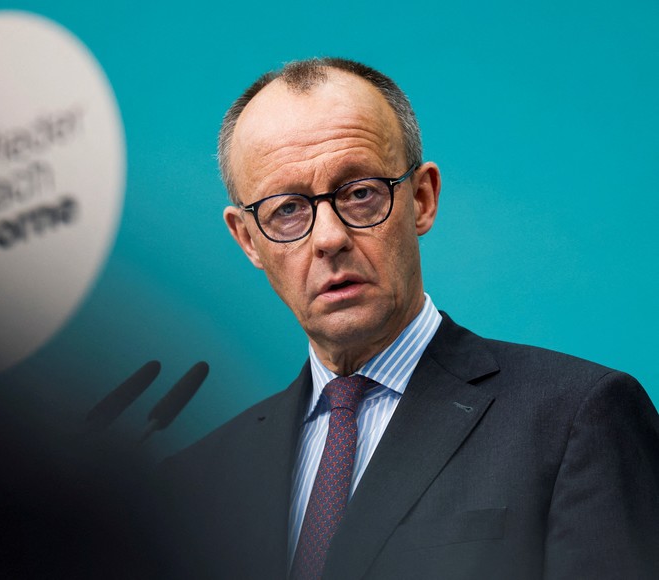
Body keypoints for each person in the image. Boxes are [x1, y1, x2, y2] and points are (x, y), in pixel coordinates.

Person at [154, 57, 659, 579]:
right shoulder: (197, 481)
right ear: (247, 239)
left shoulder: (575, 419)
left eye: (359, 193)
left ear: (421, 198)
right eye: (287, 209)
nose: (329, 238)